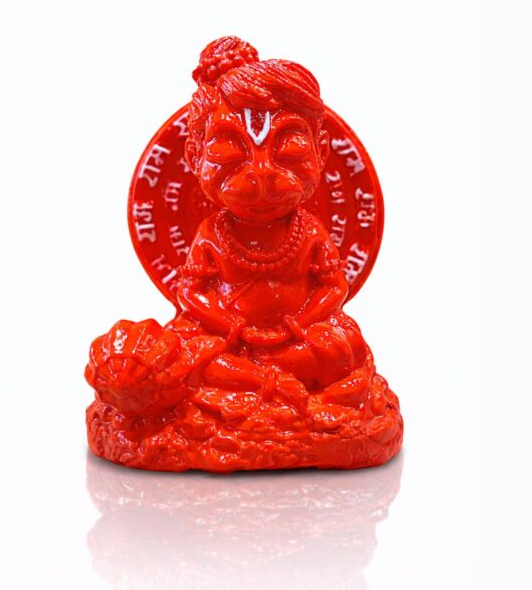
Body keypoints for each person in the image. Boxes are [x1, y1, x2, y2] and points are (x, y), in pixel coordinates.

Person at [85, 37, 402, 471]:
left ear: (321, 151)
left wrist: (302, 323)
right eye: (228, 150)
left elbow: (333, 287)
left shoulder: (308, 231)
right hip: (227, 340)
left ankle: (280, 386)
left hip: (297, 336)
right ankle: (273, 386)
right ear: (194, 156)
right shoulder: (212, 233)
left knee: (343, 347)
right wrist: (228, 324)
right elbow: (190, 292)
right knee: (191, 356)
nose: (262, 173)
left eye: (289, 148)